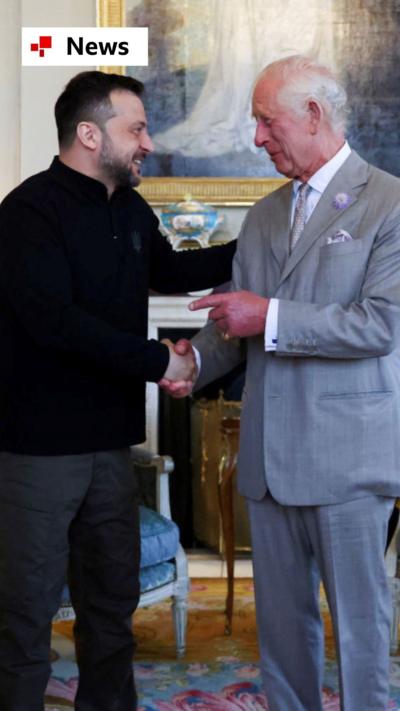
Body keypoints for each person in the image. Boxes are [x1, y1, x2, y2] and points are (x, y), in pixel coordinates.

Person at [162, 55, 400, 711]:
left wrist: (267, 315)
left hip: (350, 459)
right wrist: (188, 366)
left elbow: (378, 325)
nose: (258, 137)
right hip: (269, 460)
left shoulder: (390, 201)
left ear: (314, 115)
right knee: (283, 632)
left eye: (267, 122)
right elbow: (233, 324)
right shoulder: (264, 216)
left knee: (360, 625)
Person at [0, 70, 236, 711]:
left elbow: (176, 270)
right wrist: (159, 358)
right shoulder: (27, 213)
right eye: (135, 128)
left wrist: (271, 240)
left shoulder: (130, 208)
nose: (148, 142)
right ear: (87, 134)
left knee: (111, 614)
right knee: (24, 621)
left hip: (111, 450)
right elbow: (56, 323)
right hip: (38, 456)